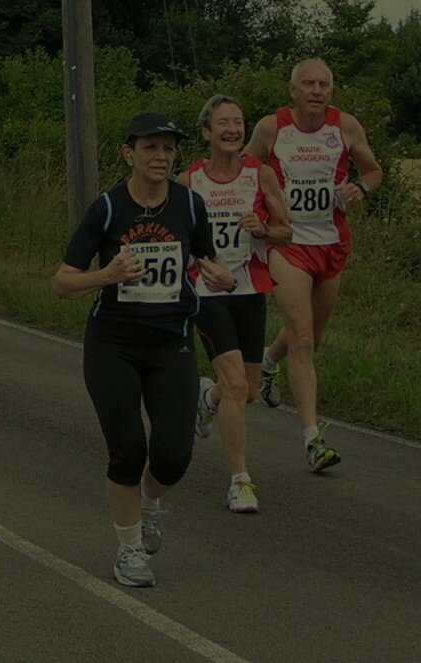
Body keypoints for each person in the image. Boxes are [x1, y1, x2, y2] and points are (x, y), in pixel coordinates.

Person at [53, 113, 235, 588]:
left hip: (170, 343)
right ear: (128, 153)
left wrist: (222, 275)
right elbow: (63, 282)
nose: (161, 157)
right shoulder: (108, 209)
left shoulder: (190, 205)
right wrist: (105, 276)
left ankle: (151, 504)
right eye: (150, 148)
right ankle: (129, 549)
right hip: (112, 344)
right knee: (129, 449)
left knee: (173, 455)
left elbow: (209, 259)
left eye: (169, 149)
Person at [245, 58, 382, 471]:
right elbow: (247, 168)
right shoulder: (272, 127)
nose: (317, 91)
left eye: (323, 84)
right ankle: (312, 440)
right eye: (308, 84)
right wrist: (260, 215)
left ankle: (269, 360)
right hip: (287, 243)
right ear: (293, 90)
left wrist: (360, 187)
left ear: (331, 91)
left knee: (313, 338)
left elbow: (374, 171)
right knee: (302, 340)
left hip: (332, 242)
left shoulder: (346, 126)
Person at [176, 95, 293, 513]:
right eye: (223, 123)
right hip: (206, 292)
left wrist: (263, 228)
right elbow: (171, 237)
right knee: (237, 385)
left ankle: (206, 402)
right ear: (206, 132)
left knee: (245, 393)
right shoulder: (189, 183)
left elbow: (286, 232)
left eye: (238, 123)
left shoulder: (260, 175)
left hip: (249, 288)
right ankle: (240, 480)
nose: (232, 130)